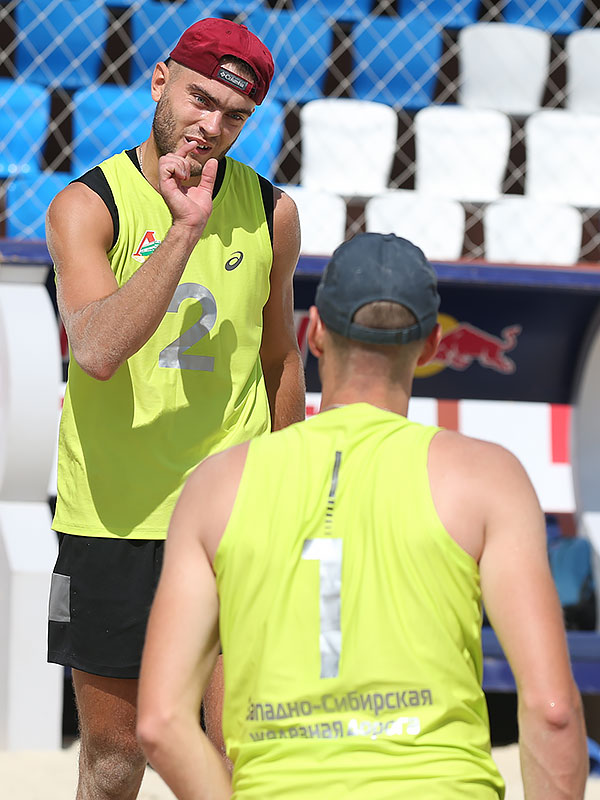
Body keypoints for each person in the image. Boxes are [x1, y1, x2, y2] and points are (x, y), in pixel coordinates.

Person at [137, 232, 589, 799]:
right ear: (430, 346)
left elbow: (161, 722)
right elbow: (552, 711)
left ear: (315, 333)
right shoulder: (486, 479)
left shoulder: (216, 486)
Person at [46, 17, 305, 800]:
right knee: (116, 756)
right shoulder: (87, 205)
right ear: (161, 80)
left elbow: (279, 357)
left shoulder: (271, 210)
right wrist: (185, 231)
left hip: (233, 515)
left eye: (234, 116)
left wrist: (295, 492)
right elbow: (96, 350)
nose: (211, 126)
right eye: (200, 100)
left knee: (234, 752)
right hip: (116, 517)